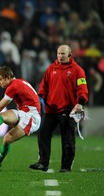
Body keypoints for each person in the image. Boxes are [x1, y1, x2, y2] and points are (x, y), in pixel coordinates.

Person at [0, 66, 42, 177]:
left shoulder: (13, 86)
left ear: (8, 77)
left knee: (6, 135)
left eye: (0, 79)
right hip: (24, 113)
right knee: (5, 121)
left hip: (31, 118)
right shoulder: (20, 82)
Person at [29, 44, 88, 173]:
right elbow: (43, 86)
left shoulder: (78, 70)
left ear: (69, 55)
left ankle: (66, 166)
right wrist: (41, 97)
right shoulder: (51, 68)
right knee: (43, 134)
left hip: (68, 110)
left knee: (68, 139)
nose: (60, 56)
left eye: (63, 54)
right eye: (58, 54)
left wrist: (80, 103)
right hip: (51, 109)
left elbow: (82, 89)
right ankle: (43, 163)